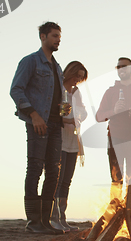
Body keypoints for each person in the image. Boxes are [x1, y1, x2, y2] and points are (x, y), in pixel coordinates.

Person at [10, 21, 67, 235]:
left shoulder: (57, 67)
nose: (58, 39)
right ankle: (33, 222)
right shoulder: (31, 61)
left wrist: (63, 110)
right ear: (43, 37)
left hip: (55, 124)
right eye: (54, 36)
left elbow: (56, 96)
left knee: (54, 171)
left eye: (59, 36)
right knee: (35, 168)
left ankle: (45, 221)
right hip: (38, 123)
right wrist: (34, 115)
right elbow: (16, 90)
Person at [50, 61, 88, 232]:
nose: (77, 80)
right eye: (76, 76)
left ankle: (62, 217)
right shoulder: (58, 88)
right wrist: (65, 118)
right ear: (69, 73)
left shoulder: (76, 92)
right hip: (59, 139)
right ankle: (53, 217)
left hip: (73, 140)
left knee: (66, 181)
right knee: (56, 180)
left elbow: (83, 112)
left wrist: (78, 116)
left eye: (80, 78)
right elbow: (55, 113)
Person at [96, 57, 131, 201]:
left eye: (125, 66)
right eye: (119, 67)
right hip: (115, 138)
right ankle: (115, 210)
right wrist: (114, 111)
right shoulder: (110, 92)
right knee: (116, 177)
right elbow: (99, 116)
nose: (121, 69)